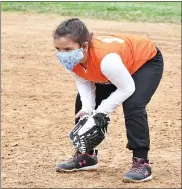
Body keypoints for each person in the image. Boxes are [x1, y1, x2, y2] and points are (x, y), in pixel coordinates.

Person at [53, 18, 164, 183]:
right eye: (58, 49)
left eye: (68, 49)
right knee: (82, 104)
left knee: (133, 104)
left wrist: (101, 111)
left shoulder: (106, 60)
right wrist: (88, 109)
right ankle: (86, 155)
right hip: (118, 65)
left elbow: (127, 88)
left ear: (84, 46)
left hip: (144, 62)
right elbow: (84, 81)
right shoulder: (70, 58)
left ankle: (142, 163)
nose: (63, 54)